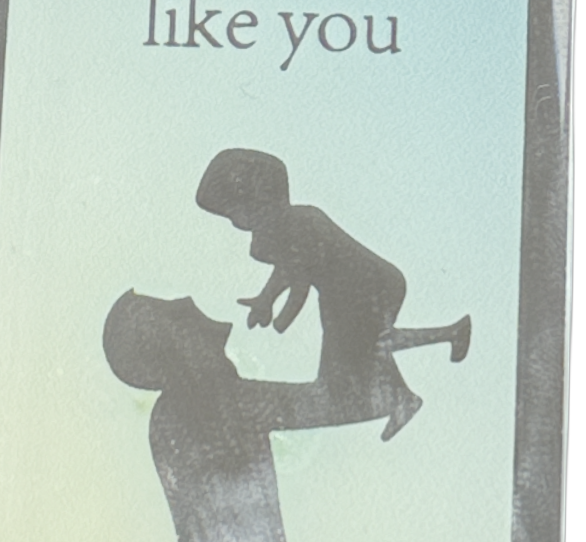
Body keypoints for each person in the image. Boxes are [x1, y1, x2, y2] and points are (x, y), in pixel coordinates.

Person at [102, 289, 389, 542]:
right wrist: (345, 312)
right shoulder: (213, 402)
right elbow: (347, 400)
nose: (186, 302)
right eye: (172, 312)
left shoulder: (188, 409)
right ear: (173, 347)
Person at [195, 148, 470, 441]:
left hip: (363, 289)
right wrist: (265, 300)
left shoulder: (298, 224)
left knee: (344, 368)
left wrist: (282, 319)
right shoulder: (280, 230)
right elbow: (287, 268)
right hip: (362, 288)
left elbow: (299, 280)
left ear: (257, 201)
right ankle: (447, 339)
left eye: (236, 213)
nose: (237, 222)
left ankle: (402, 397)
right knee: (370, 343)